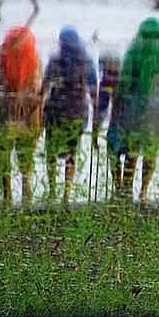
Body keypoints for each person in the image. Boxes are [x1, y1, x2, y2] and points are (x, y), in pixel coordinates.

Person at [107, 18, 159, 202]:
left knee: (132, 148)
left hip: (137, 106)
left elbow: (125, 83)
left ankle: (125, 189)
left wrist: (116, 104)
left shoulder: (133, 52)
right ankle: (144, 191)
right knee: (151, 151)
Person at [0, 26, 44, 207]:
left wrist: (4, 96)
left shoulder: (1, 60)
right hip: (28, 119)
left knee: (3, 155)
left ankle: (7, 195)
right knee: (25, 156)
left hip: (4, 117)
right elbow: (40, 89)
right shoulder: (35, 61)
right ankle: (27, 192)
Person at [41, 26, 98, 205]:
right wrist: (96, 118)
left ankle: (52, 191)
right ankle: (66, 193)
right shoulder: (86, 62)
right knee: (72, 152)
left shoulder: (55, 60)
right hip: (77, 112)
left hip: (55, 112)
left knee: (51, 150)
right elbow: (94, 91)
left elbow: (44, 87)